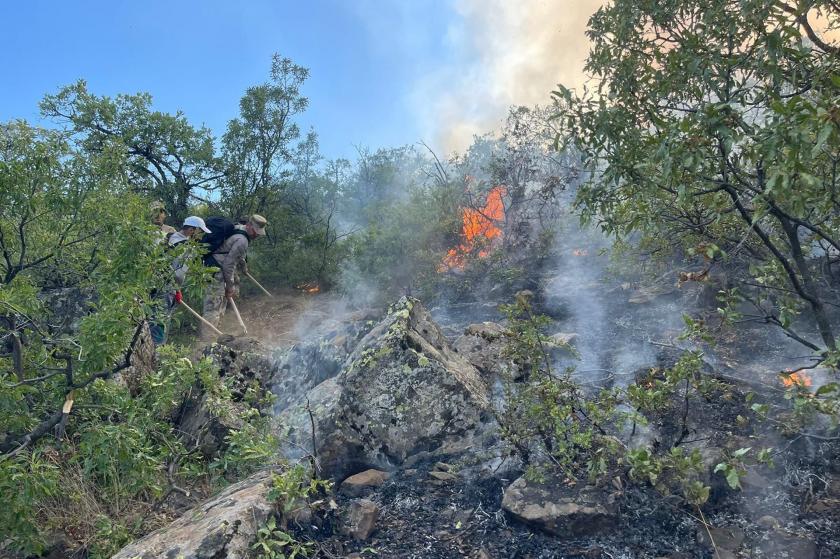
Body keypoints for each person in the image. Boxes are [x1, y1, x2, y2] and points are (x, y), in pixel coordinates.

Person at [201, 214, 267, 339]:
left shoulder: (239, 228)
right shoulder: (242, 240)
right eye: (256, 231)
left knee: (220, 304)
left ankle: (216, 334)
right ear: (248, 226)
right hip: (216, 271)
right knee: (213, 306)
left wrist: (244, 267)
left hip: (216, 268)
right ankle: (208, 340)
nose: (257, 235)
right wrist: (230, 286)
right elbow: (228, 265)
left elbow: (238, 256)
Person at [149, 216, 212, 346]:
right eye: (200, 232)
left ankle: (147, 347)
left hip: (155, 283)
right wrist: (175, 288)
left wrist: (177, 290)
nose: (201, 236)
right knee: (160, 319)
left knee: (152, 316)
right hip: (166, 288)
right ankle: (156, 350)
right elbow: (178, 273)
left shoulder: (170, 237)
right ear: (191, 230)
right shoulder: (186, 247)